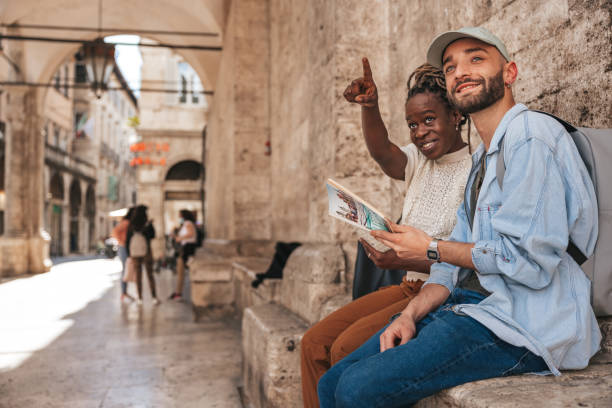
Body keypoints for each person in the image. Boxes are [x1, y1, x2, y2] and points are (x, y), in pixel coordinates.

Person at [317, 27, 600, 407]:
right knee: (331, 383)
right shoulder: (482, 158)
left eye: (476, 59)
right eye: (451, 67)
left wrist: (430, 246)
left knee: (355, 390)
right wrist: (409, 314)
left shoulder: (531, 138)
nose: (460, 71)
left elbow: (528, 264)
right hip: (473, 307)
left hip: (524, 327)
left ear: (510, 73)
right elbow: (448, 270)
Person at [300, 61, 473, 407]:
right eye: (412, 124)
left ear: (456, 115)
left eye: (428, 120)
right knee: (312, 343)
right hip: (406, 286)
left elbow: (467, 262)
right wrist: (369, 107)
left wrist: (403, 257)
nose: (420, 131)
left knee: (345, 349)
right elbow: (382, 152)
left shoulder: (476, 168)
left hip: (440, 294)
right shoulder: (420, 162)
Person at [126, 205, 159, 305]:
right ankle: (154, 297)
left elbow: (127, 240)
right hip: (146, 251)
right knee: (150, 274)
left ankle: (140, 297)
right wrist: (149, 225)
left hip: (135, 252)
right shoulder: (146, 223)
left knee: (138, 275)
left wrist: (129, 254)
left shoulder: (131, 224)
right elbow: (153, 235)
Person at [168, 209, 198, 301]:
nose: (179, 217)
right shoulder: (186, 224)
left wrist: (179, 238)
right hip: (185, 249)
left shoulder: (188, 223)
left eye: (180, 215)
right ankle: (178, 292)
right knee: (180, 271)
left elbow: (190, 234)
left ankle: (178, 293)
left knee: (181, 271)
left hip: (187, 250)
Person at [112, 207, 135, 302]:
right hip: (123, 247)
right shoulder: (126, 222)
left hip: (126, 247)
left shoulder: (129, 223)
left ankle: (124, 292)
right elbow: (115, 232)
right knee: (125, 270)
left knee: (126, 269)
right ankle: (124, 292)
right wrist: (122, 241)